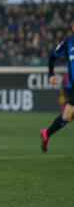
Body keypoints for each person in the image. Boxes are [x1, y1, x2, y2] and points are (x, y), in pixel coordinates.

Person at [40, 23, 74, 152]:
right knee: (68, 116)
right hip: (72, 86)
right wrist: (51, 74)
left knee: (67, 117)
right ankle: (47, 133)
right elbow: (52, 56)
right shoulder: (68, 43)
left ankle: (46, 133)